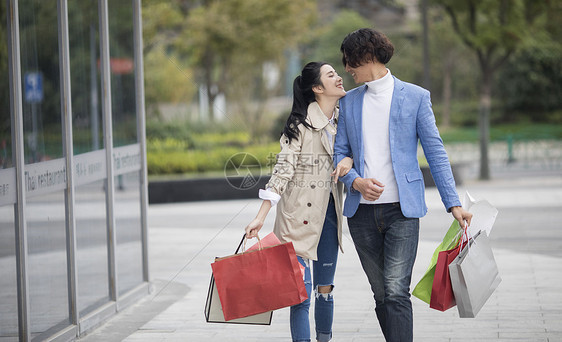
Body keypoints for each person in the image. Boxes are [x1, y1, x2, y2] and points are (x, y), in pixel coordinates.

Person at [333, 28, 473, 342]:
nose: (346, 69)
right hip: (361, 215)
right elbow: (339, 153)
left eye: (349, 61)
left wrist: (454, 204)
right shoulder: (350, 102)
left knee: (396, 291)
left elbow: (435, 151)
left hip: (402, 211)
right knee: (381, 294)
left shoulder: (416, 97)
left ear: (366, 57)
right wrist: (355, 182)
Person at [245, 61, 352, 342]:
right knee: (300, 296)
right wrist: (261, 216)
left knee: (325, 290)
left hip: (330, 217)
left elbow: (356, 153)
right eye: (331, 75)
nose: (339, 78)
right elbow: (282, 171)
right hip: (296, 219)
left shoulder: (345, 120)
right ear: (317, 88)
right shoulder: (299, 125)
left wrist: (349, 159)